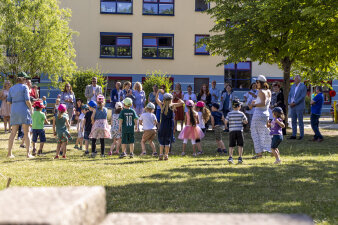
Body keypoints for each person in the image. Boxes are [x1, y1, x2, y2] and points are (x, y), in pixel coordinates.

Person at [7, 72, 34, 159]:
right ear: (22, 79)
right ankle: (28, 154)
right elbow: (27, 100)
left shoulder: (12, 88)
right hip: (23, 110)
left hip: (14, 110)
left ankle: (9, 153)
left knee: (13, 133)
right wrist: (31, 108)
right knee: (26, 132)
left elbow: (8, 102)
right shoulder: (25, 87)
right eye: (25, 79)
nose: (26, 81)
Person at [156, 91, 184, 160]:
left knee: (162, 141)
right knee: (167, 141)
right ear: (171, 99)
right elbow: (182, 103)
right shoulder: (172, 106)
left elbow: (156, 99)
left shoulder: (162, 105)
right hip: (169, 126)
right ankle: (166, 155)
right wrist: (178, 98)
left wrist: (158, 91)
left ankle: (160, 154)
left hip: (162, 126)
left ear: (164, 99)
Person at [250, 75, 272, 159]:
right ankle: (271, 149)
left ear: (260, 83)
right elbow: (265, 102)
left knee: (255, 133)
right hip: (265, 114)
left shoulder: (261, 92)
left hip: (258, 114)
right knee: (265, 132)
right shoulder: (268, 91)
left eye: (257, 82)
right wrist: (256, 101)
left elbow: (263, 103)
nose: (256, 84)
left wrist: (254, 105)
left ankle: (259, 154)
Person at [225, 100, 248, 164]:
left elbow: (226, 121)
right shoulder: (241, 113)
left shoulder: (229, 113)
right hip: (239, 130)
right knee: (240, 145)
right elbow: (246, 121)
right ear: (239, 106)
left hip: (232, 131)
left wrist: (226, 126)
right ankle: (240, 157)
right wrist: (242, 122)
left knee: (231, 145)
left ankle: (230, 157)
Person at [288, 75, 307, 140]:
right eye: (294, 78)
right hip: (292, 106)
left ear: (299, 79)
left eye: (296, 78)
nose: (294, 80)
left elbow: (302, 97)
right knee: (293, 121)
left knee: (300, 121)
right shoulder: (293, 86)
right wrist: (289, 102)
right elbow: (290, 95)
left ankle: (301, 135)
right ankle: (294, 134)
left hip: (299, 106)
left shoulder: (303, 86)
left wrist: (295, 103)